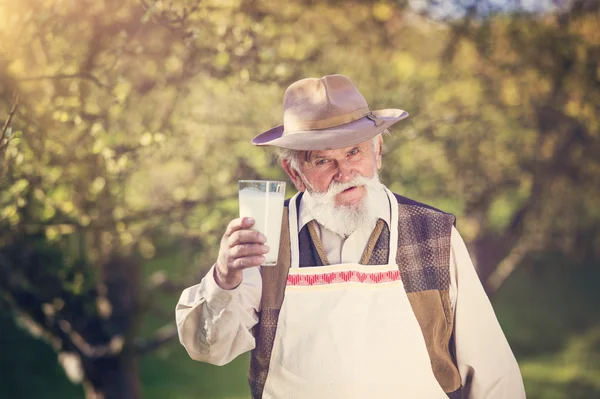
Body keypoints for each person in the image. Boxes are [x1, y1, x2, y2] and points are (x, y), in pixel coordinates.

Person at [175, 74, 526, 399]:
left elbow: (493, 374)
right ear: (294, 172)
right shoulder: (266, 236)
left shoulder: (433, 233)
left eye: (354, 152)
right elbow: (209, 349)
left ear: (378, 150)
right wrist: (224, 279)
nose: (345, 173)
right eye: (323, 161)